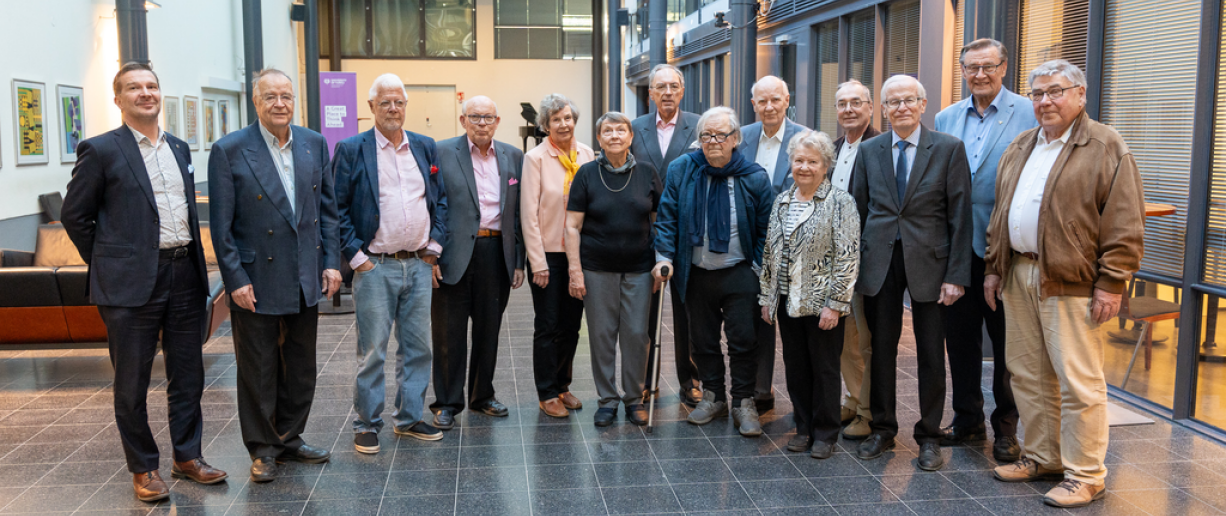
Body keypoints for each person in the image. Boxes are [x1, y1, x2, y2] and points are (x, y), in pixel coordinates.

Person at [62, 62, 227, 502]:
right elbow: (75, 216)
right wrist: (112, 262)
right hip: (130, 283)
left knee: (188, 374)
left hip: (184, 273)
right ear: (118, 99)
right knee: (132, 382)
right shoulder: (101, 150)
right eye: (134, 87)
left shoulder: (179, 147)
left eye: (151, 86)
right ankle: (144, 467)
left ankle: (187, 457)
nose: (146, 93)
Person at [986, 60, 1143, 508]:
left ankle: (1086, 474)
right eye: (1037, 93)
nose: (1045, 101)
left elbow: (1125, 223)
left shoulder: (1105, 146)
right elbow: (1001, 212)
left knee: (1078, 382)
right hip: (1019, 272)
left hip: (1071, 280)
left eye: (1056, 91)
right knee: (1028, 374)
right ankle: (1043, 457)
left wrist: (1111, 282)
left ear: (1080, 94)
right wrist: (994, 267)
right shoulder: (1022, 144)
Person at [208, 68, 342, 482]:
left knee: (300, 366)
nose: (280, 103)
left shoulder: (314, 143)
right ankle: (263, 448)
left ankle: (289, 437)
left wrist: (331, 262)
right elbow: (221, 227)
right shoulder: (230, 149)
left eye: (286, 96)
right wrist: (235, 279)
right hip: (256, 278)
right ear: (256, 101)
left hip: (304, 273)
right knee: (259, 369)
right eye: (270, 97)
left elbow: (328, 212)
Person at [850, 75, 972, 472]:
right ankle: (883, 429)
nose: (901, 107)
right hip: (879, 263)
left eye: (909, 100)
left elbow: (960, 217)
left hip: (932, 265)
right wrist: (854, 269)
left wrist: (957, 275)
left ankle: (929, 436)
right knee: (881, 350)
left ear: (923, 104)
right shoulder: (869, 150)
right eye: (893, 102)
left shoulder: (949, 149)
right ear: (883, 109)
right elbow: (858, 210)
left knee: (932, 354)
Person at [332, 74, 449, 454]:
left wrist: (434, 247)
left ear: (406, 105)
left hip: (418, 264)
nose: (393, 109)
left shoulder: (425, 146)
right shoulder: (352, 149)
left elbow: (440, 200)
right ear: (372, 107)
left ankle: (409, 418)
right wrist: (357, 258)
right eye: (385, 102)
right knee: (373, 351)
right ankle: (366, 423)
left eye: (398, 102)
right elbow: (336, 208)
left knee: (418, 348)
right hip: (375, 267)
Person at [933, 38, 1037, 463]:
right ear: (962, 71)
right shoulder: (946, 117)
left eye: (988, 66)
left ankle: (1006, 430)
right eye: (971, 68)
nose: (979, 75)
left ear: (1004, 67)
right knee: (960, 342)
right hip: (958, 249)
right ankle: (967, 420)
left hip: (1005, 250)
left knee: (1008, 345)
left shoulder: (1029, 113)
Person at [652, 106, 774, 437]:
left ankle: (744, 401)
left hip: (739, 272)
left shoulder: (754, 176)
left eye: (721, 135)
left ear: (736, 139)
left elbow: (766, 230)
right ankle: (714, 396)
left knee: (743, 340)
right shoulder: (682, 169)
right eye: (706, 136)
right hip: (696, 272)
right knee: (702, 340)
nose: (713, 142)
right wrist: (663, 256)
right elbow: (667, 217)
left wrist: (757, 269)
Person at [758, 130, 859, 459]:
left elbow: (848, 257)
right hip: (788, 301)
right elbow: (770, 253)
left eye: (812, 161)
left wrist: (836, 304)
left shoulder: (841, 202)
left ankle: (825, 433)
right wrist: (767, 297)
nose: (804, 167)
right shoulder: (782, 201)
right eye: (799, 160)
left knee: (825, 370)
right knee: (796, 368)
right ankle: (803, 427)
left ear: (826, 165)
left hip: (821, 305)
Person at [429, 96, 524, 429]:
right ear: (463, 120)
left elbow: (518, 213)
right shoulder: (441, 151)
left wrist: (519, 261)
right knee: (448, 333)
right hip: (452, 254)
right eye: (475, 117)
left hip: (495, 253)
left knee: (489, 330)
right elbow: (430, 204)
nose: (482, 123)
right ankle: (447, 402)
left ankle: (482, 396)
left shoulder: (514, 156)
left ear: (497, 121)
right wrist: (430, 255)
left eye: (488, 117)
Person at [565, 112, 662, 427]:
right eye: (608, 131)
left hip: (640, 269)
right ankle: (607, 400)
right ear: (599, 139)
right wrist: (575, 271)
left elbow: (659, 222)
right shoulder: (586, 174)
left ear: (631, 137)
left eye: (621, 130)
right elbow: (572, 226)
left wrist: (660, 262)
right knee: (602, 335)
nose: (615, 135)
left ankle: (634, 398)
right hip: (597, 269)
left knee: (636, 334)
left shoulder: (647, 173)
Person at [631, 64, 704, 406]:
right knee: (645, 312)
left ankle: (691, 380)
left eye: (674, 86)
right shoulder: (634, 128)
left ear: (682, 90)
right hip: (644, 232)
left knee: (688, 311)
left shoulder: (700, 126)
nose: (668, 92)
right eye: (660, 87)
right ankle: (645, 380)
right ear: (651, 94)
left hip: (687, 232)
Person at [522, 93, 596, 418]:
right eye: (556, 119)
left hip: (578, 255)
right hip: (549, 255)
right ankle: (547, 392)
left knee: (571, 325)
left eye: (567, 118)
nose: (563, 124)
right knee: (548, 325)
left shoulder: (587, 154)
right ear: (545, 125)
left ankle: (563, 385)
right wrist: (537, 262)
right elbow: (528, 214)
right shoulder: (535, 158)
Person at [739, 75, 810, 412]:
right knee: (759, 318)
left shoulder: (805, 138)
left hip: (795, 245)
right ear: (753, 104)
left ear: (787, 101)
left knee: (796, 323)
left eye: (775, 100)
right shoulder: (741, 137)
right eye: (762, 101)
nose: (769, 107)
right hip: (752, 245)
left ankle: (804, 404)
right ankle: (760, 390)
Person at [828, 79, 881, 441]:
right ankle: (853, 397)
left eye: (856, 103)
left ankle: (869, 410)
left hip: (865, 258)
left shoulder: (880, 147)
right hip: (834, 259)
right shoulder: (834, 149)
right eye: (842, 104)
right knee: (844, 338)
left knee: (866, 339)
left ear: (870, 107)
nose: (848, 109)